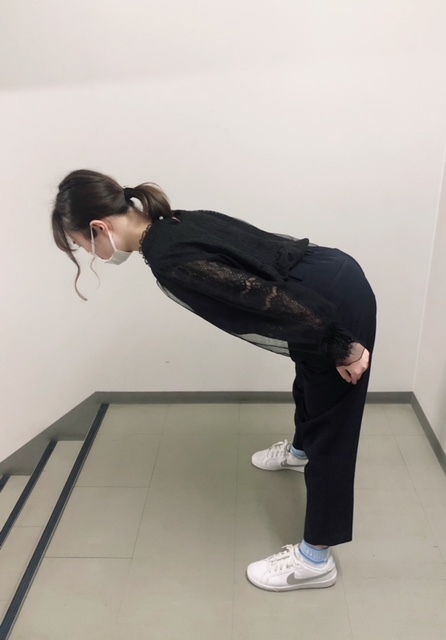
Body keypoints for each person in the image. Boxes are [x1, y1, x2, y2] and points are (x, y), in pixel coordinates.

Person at [51, 169, 376, 592]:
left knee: (335, 426)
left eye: (82, 245)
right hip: (325, 278)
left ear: (99, 227)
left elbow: (263, 299)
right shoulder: (171, 222)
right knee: (310, 378)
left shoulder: (169, 257)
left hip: (327, 304)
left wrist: (341, 344)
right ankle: (300, 451)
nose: (91, 254)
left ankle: (315, 560)